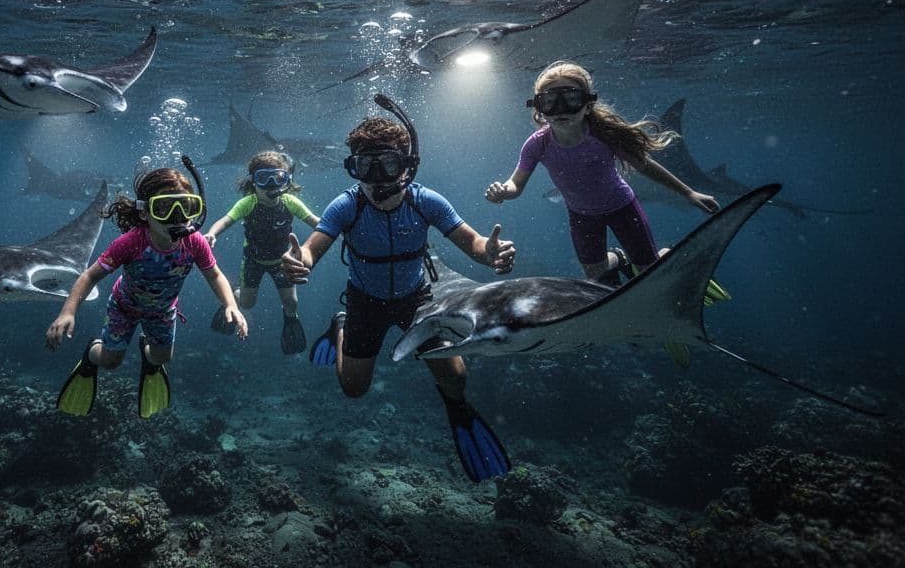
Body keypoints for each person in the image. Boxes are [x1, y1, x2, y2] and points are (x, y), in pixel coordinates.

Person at [281, 95, 517, 482]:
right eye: (364, 166)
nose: (376, 178)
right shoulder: (347, 206)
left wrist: (489, 253)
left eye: (387, 165)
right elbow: (310, 251)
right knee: (354, 390)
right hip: (363, 303)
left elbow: (473, 243)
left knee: (456, 378)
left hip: (416, 299)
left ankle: (457, 412)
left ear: (406, 166)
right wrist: (298, 262)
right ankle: (340, 326)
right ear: (352, 169)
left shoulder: (426, 201)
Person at [485, 61, 723, 291]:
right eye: (549, 101)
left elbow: (645, 165)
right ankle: (618, 259)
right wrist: (504, 191)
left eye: (571, 99)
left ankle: (664, 255)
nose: (560, 110)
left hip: (622, 207)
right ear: (539, 107)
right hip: (581, 215)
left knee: (648, 269)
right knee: (595, 274)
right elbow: (516, 183)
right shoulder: (536, 145)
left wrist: (688, 192)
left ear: (588, 105)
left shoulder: (603, 134)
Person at [46, 159, 248, 419]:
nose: (177, 216)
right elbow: (89, 276)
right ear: (144, 212)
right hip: (124, 308)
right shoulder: (130, 243)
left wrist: (231, 305)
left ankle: (145, 350)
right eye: (164, 208)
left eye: (185, 207)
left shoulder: (195, 243)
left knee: (162, 358)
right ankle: (90, 353)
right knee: (110, 361)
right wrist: (68, 312)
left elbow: (215, 275)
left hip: (163, 312)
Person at [204, 151, 320, 354]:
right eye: (264, 178)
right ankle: (231, 298)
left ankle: (290, 321)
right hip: (253, 261)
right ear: (253, 182)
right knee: (247, 304)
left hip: (282, 261)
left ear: (286, 180)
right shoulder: (248, 203)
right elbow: (225, 220)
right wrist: (212, 234)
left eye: (279, 177)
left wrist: (338, 228)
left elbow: (317, 223)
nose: (271, 184)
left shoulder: (289, 202)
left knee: (291, 302)